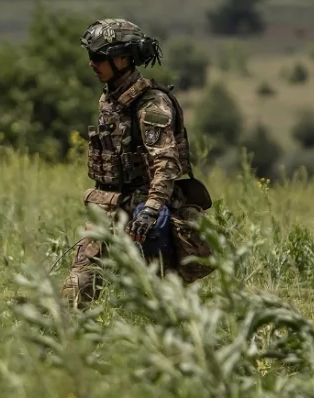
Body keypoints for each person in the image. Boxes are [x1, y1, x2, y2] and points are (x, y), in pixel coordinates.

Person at [61, 18, 216, 308]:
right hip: (107, 208)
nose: (92, 64)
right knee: (78, 285)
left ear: (123, 59)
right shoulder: (109, 99)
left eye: (99, 57)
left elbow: (166, 163)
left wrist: (151, 210)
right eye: (90, 57)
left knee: (160, 298)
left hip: (144, 211)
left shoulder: (151, 105)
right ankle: (72, 345)